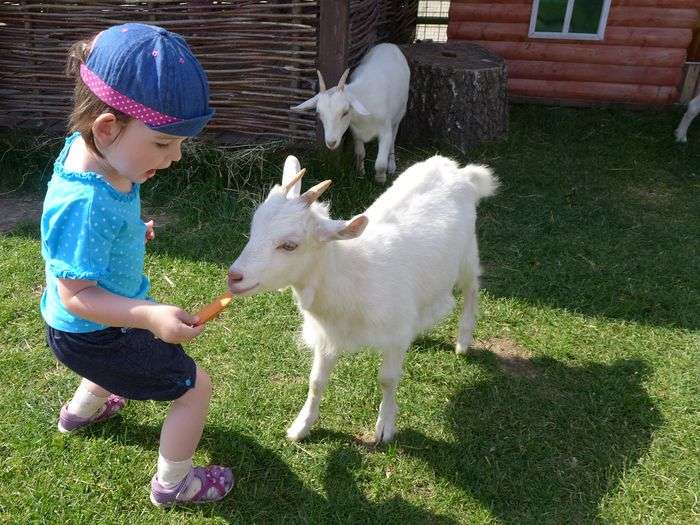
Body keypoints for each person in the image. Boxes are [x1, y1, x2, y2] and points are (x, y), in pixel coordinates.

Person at [40, 23, 233, 507]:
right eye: (164, 144)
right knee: (194, 389)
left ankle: (80, 414)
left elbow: (99, 231)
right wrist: (148, 316)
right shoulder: (84, 202)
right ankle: (174, 485)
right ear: (107, 127)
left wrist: (128, 230)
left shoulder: (98, 157)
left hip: (88, 335)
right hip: (95, 332)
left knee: (110, 366)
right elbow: (77, 295)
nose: (174, 158)